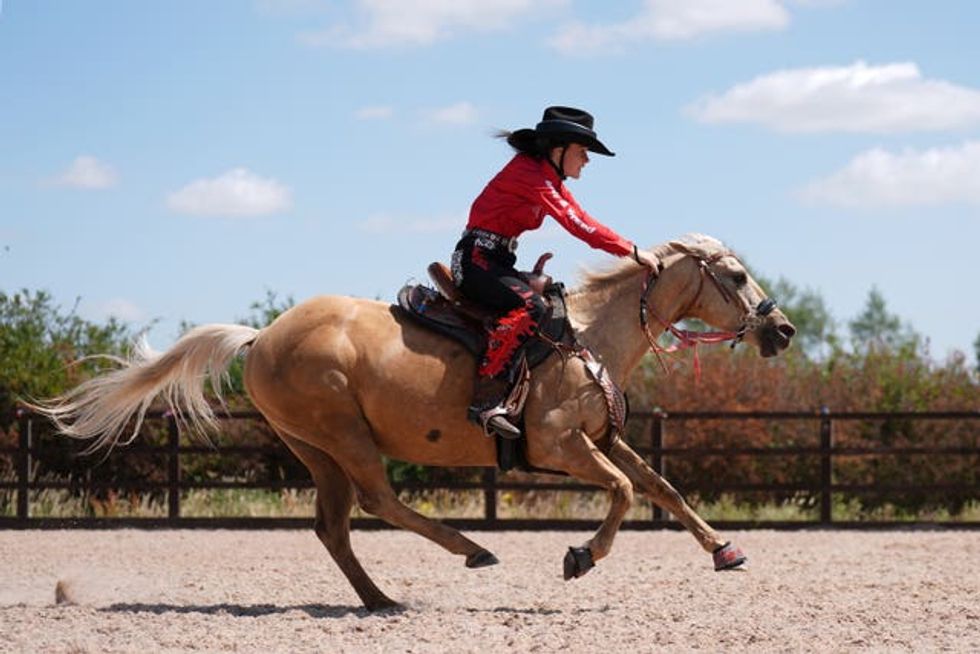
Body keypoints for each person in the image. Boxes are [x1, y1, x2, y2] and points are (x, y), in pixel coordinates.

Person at [452, 106, 660, 439]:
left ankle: (525, 398)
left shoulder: (548, 179)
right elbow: (579, 226)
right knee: (532, 307)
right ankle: (486, 399)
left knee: (550, 298)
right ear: (558, 149)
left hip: (494, 261)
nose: (587, 160)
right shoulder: (531, 175)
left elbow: (581, 216)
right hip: (476, 261)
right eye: (583, 151)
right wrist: (632, 252)